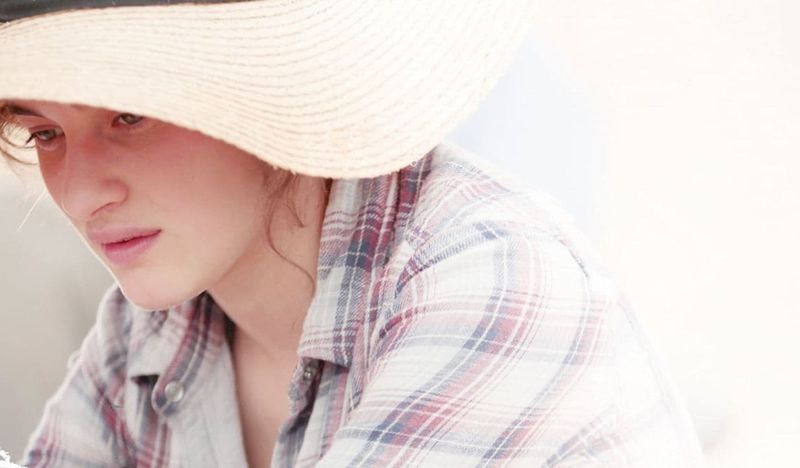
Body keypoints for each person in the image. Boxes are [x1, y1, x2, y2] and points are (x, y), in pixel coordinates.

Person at [0, 1, 705, 466]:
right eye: (45, 133)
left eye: (129, 117)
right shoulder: (151, 331)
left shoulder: (489, 277)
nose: (80, 195)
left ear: (256, 96)